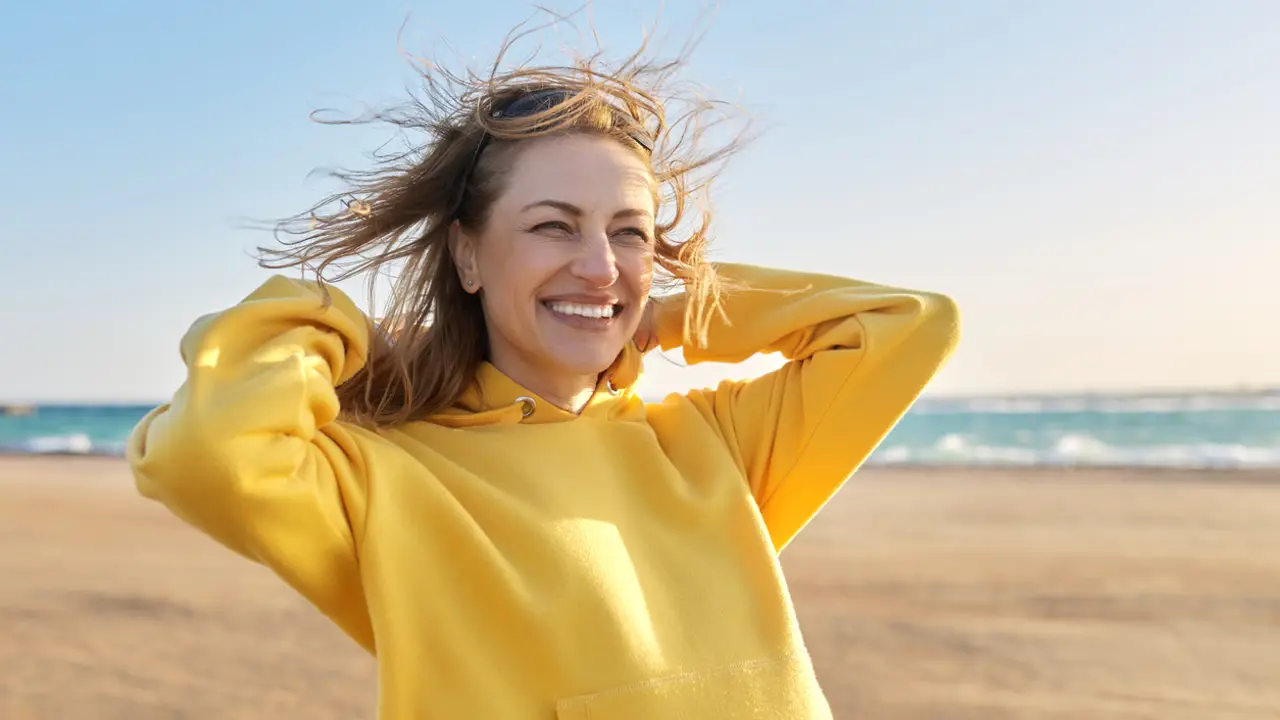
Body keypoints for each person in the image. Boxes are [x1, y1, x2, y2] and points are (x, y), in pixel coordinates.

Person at [127, 26, 959, 719]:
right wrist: (353, 335)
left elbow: (904, 327)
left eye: (629, 233)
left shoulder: (714, 444)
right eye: (554, 228)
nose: (600, 264)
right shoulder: (385, 477)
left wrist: (657, 312)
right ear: (467, 254)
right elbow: (203, 454)